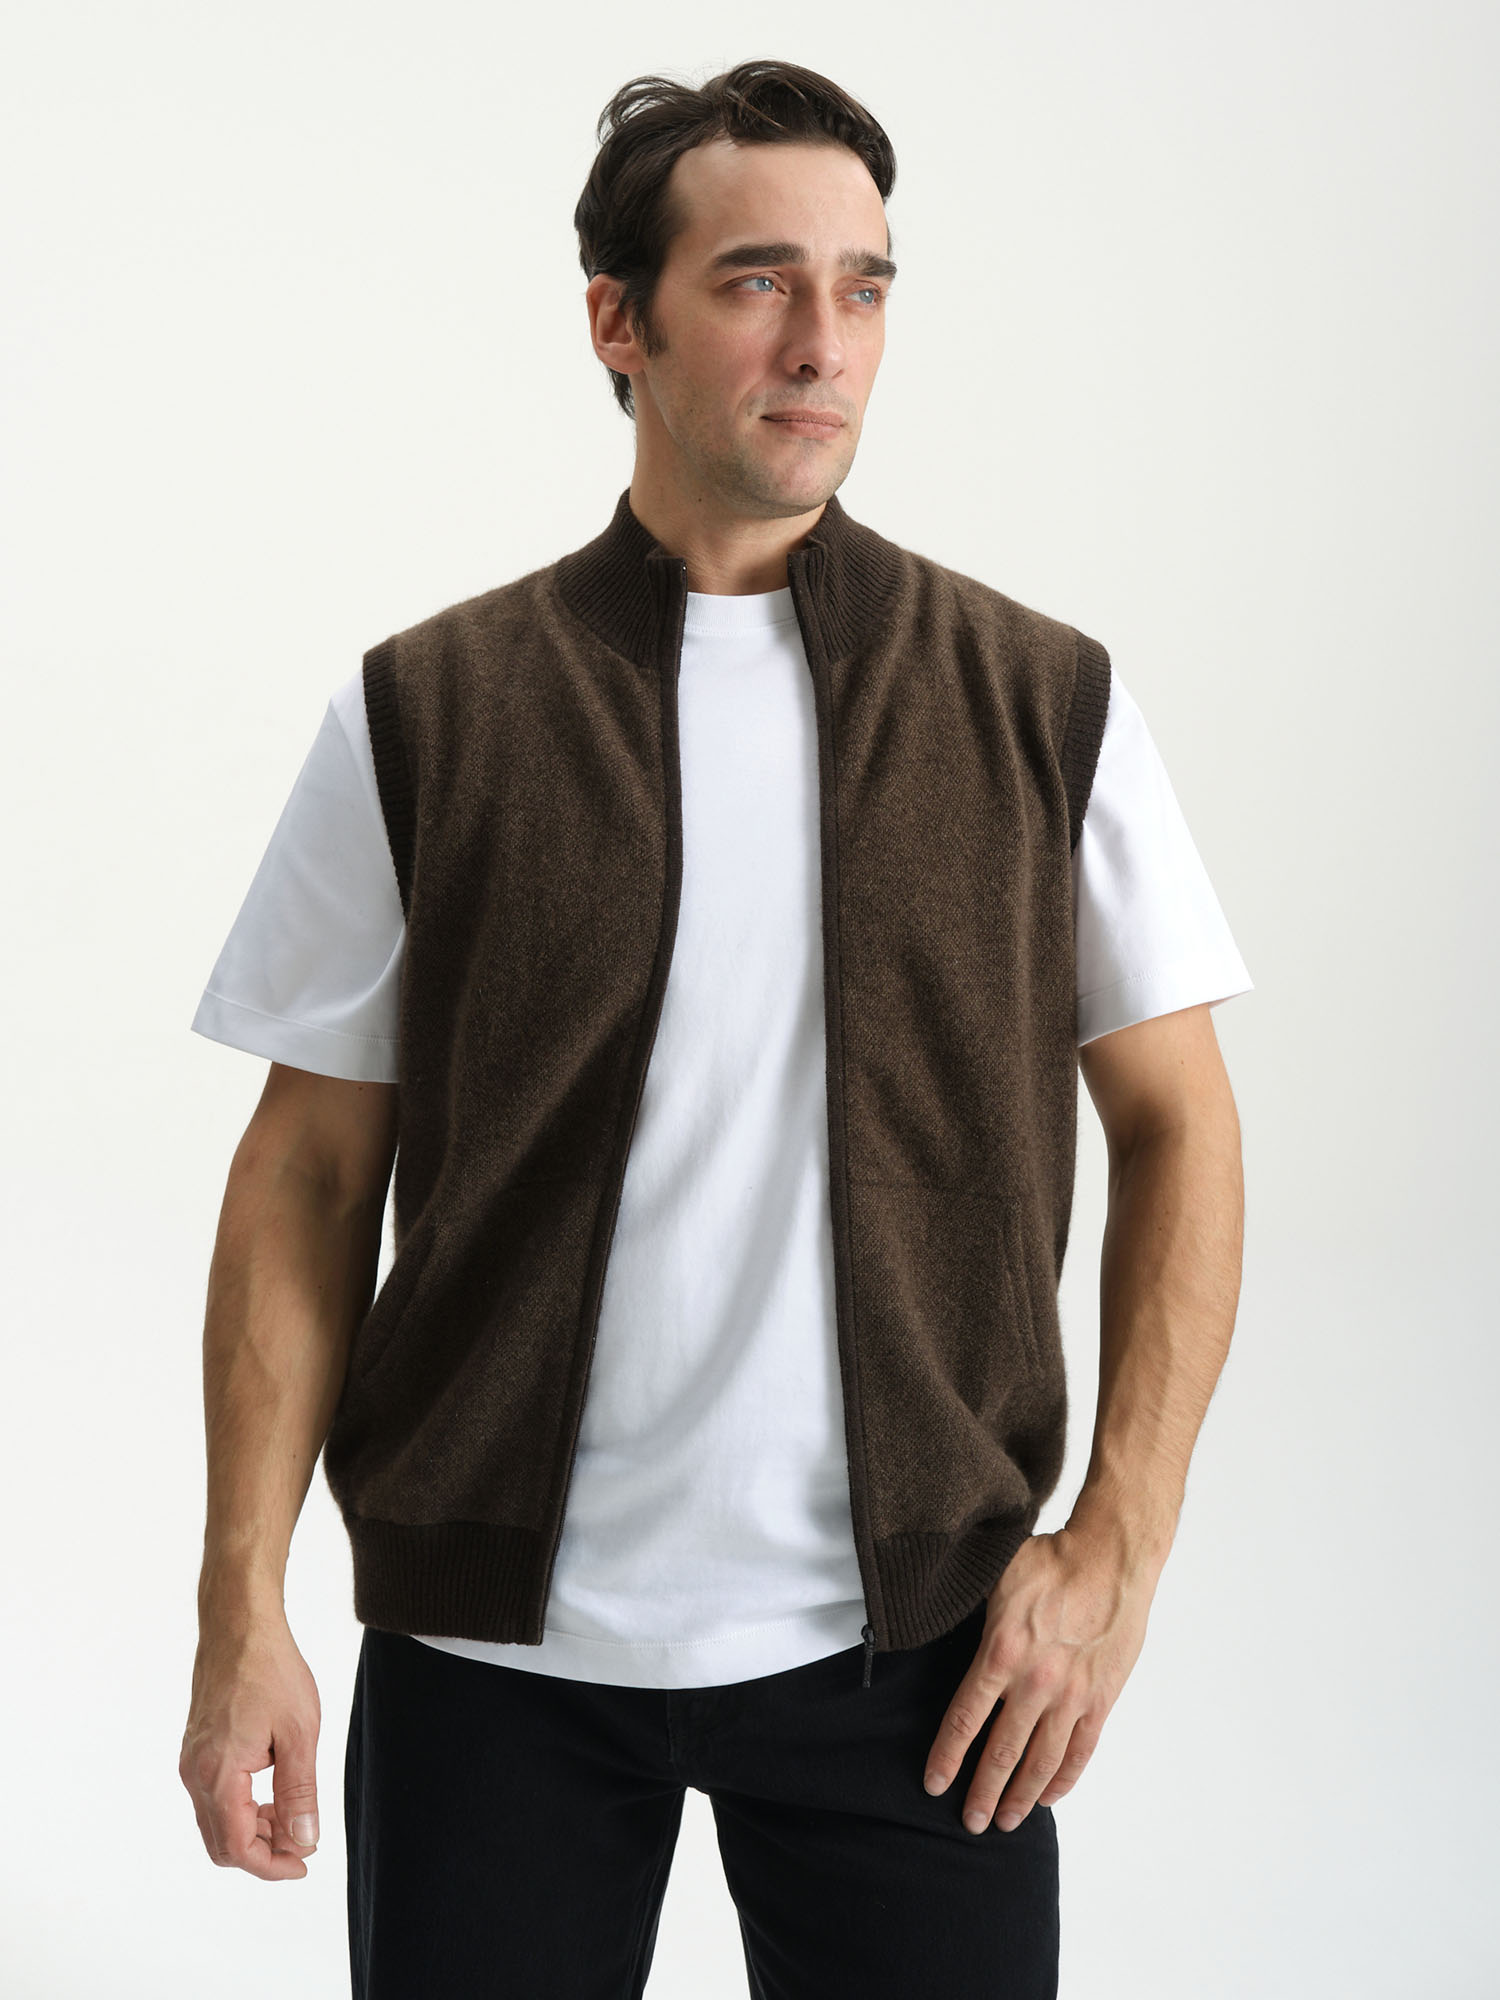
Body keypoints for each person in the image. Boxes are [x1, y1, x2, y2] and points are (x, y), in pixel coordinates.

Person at [178, 58, 1250, 2000]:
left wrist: (1120, 1541)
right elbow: (308, 1174)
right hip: (493, 1657)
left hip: (925, 1662)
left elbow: (1180, 1119)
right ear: (620, 320)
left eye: (865, 286)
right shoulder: (428, 713)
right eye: (759, 281)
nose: (824, 342)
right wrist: (238, 1603)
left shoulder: (1041, 702)